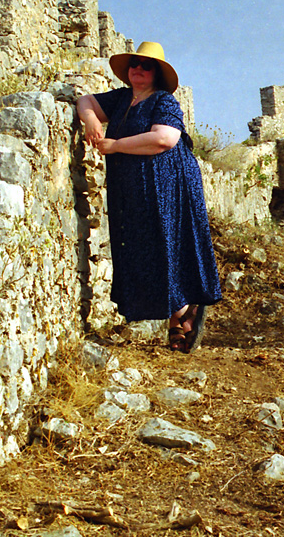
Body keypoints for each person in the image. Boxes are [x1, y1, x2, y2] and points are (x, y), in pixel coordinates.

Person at [76, 41, 222, 352]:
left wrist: (114, 145)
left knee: (167, 241)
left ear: (156, 73)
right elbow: (85, 100)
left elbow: (164, 139)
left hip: (169, 183)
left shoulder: (163, 102)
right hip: (131, 187)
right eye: (134, 65)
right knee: (143, 245)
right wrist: (91, 120)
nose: (139, 70)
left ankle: (183, 311)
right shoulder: (120, 99)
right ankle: (176, 311)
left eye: (146, 66)